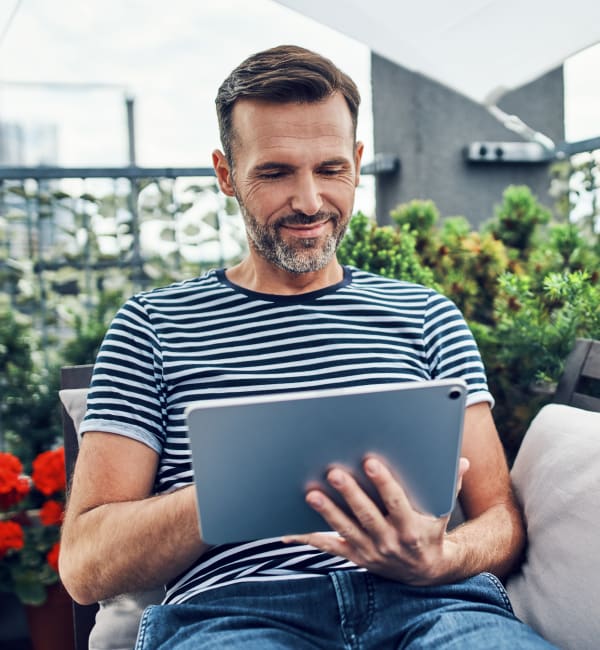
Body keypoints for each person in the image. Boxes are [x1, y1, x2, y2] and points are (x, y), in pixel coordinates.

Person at [60, 45, 556, 649]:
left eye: (329, 168)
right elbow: (85, 568)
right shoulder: (151, 326)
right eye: (274, 173)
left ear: (357, 162)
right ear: (225, 175)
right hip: (236, 615)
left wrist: (443, 556)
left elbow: (500, 520)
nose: (310, 202)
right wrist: (243, 483)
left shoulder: (426, 315)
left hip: (435, 608)